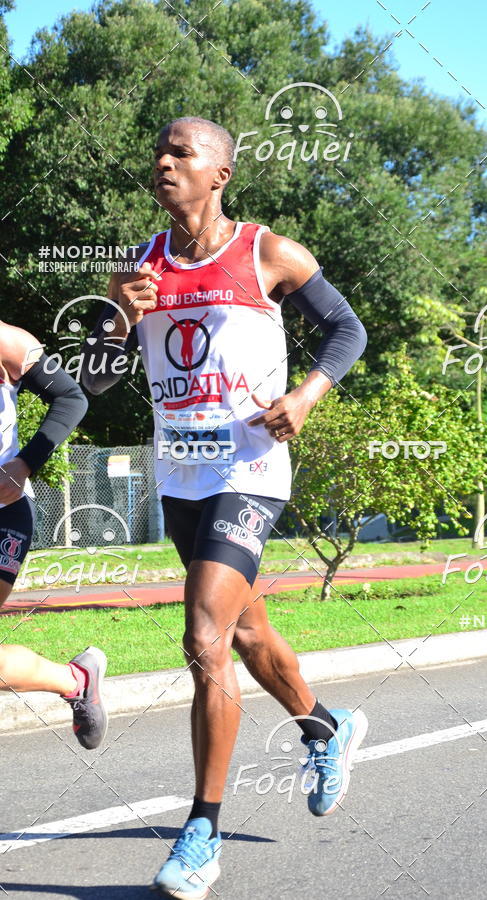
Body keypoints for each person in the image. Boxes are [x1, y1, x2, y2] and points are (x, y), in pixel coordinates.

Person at [82, 116, 368, 898]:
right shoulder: (139, 265)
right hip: (182, 479)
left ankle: (201, 834)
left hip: (249, 470)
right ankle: (327, 727)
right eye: (159, 151)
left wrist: (306, 396)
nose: (164, 161)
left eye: (183, 152)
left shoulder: (266, 253)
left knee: (204, 635)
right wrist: (118, 316)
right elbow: (96, 379)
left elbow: (346, 329)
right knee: (244, 631)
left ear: (221, 174)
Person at [0, 322, 108, 751]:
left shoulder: (7, 342)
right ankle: (75, 679)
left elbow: (71, 397)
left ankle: (74, 679)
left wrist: (24, 464)